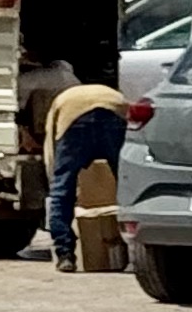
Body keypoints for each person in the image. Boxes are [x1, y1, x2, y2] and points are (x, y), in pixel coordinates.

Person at [42, 72, 133, 269]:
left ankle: (65, 254)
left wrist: (54, 177)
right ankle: (134, 250)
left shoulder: (61, 100)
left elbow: (51, 147)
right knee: (127, 186)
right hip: (113, 112)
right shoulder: (115, 94)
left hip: (73, 120)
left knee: (62, 191)